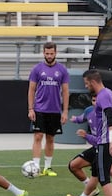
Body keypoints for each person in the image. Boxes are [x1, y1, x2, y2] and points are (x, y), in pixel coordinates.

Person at [66, 69, 112, 196]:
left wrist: (111, 142)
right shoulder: (110, 93)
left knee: (104, 179)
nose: (86, 86)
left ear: (92, 81)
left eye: (86, 83)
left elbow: (111, 118)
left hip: (104, 141)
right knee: (97, 174)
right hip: (106, 141)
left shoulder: (102, 96)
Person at [28, 41, 69, 177]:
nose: (49, 56)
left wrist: (65, 111)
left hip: (55, 110)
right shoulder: (37, 69)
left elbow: (65, 92)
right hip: (39, 109)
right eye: (47, 53)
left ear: (56, 53)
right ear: (43, 53)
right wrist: (31, 109)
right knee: (38, 136)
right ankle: (35, 167)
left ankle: (48, 167)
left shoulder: (62, 70)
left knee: (50, 138)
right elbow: (31, 89)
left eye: (51, 53)